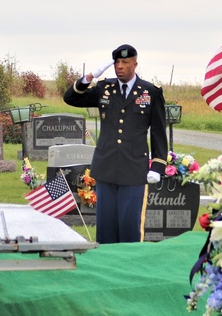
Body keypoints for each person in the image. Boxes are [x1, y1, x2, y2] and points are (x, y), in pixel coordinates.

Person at [63, 44, 167, 243]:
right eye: (117, 62)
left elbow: (158, 133)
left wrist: (157, 166)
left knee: (129, 228)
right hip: (106, 167)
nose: (120, 66)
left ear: (135, 64)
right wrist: (90, 77)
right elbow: (70, 98)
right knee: (106, 229)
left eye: (125, 62)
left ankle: (128, 267)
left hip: (134, 169)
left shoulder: (150, 92)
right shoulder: (104, 88)